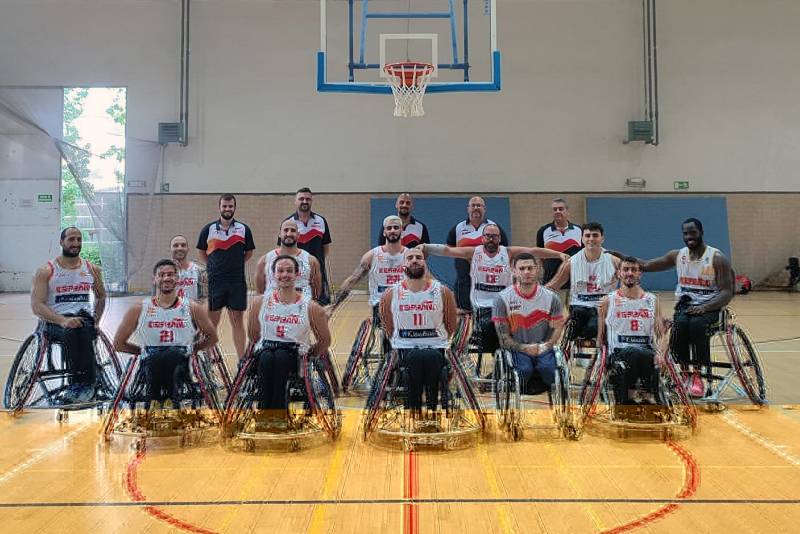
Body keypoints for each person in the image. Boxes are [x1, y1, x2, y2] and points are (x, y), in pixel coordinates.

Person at [612, 218, 733, 396]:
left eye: (692, 233)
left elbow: (726, 293)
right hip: (686, 306)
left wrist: (705, 307)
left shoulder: (717, 258)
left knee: (697, 326)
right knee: (680, 326)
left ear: (701, 233)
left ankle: (698, 375)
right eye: (686, 234)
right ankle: (685, 373)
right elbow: (645, 265)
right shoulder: (678, 255)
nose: (689, 237)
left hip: (711, 307)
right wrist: (621, 256)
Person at [421, 225, 565, 354]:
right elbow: (448, 250)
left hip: (505, 306)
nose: (491, 239)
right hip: (483, 307)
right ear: (482, 238)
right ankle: (497, 353)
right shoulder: (474, 253)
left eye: (494, 236)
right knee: (493, 326)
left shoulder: (507, 252)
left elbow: (533, 251)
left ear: (499, 238)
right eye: (488, 236)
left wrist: (558, 254)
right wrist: (426, 247)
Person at [113, 260, 218, 407]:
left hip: (179, 359)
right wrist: (142, 351)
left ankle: (163, 400)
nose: (166, 278)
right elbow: (118, 344)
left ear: (177, 279)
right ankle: (163, 400)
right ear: (154, 279)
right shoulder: (139, 309)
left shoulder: (192, 307)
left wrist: (192, 349)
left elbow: (213, 337)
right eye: (161, 275)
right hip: (150, 360)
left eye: (170, 274)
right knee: (157, 356)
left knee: (170, 354)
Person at [248, 255, 331, 419]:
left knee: (280, 358)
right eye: (280, 271)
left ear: (297, 275)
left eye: (289, 271)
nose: (285, 275)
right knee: (266, 358)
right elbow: (253, 335)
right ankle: (264, 414)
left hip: (294, 354)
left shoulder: (310, 307)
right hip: (267, 350)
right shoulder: (260, 302)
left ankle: (279, 416)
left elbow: (324, 340)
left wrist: (310, 354)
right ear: (273, 275)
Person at [30, 227, 106, 402]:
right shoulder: (46, 270)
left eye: (79, 239)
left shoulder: (92, 269)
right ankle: (76, 383)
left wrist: (96, 321)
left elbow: (101, 296)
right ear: (61, 242)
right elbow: (37, 306)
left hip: (81, 318)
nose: (76, 244)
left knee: (86, 330)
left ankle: (87, 383)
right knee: (72, 332)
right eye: (71, 239)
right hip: (54, 320)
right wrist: (63, 321)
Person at [380, 248, 457, 415]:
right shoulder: (390, 293)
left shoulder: (442, 291)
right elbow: (387, 325)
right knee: (417, 359)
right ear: (403, 264)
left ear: (425, 263)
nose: (414, 260)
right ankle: (416, 411)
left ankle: (428, 411)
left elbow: (451, 324)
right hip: (405, 349)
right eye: (410, 258)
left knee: (428, 358)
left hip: (436, 348)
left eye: (419, 257)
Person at [596, 257, 667, 410]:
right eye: (626, 269)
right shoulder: (608, 301)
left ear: (639, 274)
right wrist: (601, 366)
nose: (630, 273)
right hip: (619, 352)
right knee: (633, 353)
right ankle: (630, 398)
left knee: (647, 356)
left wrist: (661, 354)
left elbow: (661, 335)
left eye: (634, 270)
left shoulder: (652, 300)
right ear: (619, 273)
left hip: (646, 352)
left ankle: (649, 399)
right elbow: (601, 338)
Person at [492, 253, 565, 395]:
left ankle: (541, 382)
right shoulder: (502, 299)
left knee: (549, 372)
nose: (526, 272)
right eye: (522, 268)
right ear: (514, 271)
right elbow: (503, 337)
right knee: (523, 371)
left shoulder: (552, 298)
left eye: (530, 268)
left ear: (537, 270)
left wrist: (545, 346)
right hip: (518, 347)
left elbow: (557, 328)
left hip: (543, 346)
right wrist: (524, 348)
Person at [197, 194, 255, 360]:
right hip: (216, 282)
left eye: (230, 206)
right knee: (212, 322)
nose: (227, 209)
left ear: (234, 208)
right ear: (220, 207)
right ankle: (209, 359)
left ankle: (241, 360)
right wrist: (213, 267)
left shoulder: (244, 229)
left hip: (237, 281)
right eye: (224, 206)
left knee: (237, 322)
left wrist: (235, 265)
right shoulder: (208, 229)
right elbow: (202, 252)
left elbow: (248, 252)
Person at [546, 222, 621, 340]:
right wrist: (533, 296)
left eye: (595, 235)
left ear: (602, 239)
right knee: (576, 320)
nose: (591, 239)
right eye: (588, 236)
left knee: (593, 327)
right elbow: (554, 285)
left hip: (603, 307)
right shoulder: (571, 262)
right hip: (578, 305)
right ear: (582, 239)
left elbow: (628, 284)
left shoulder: (614, 261)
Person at [330, 216, 406, 322]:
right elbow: (352, 280)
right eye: (389, 228)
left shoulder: (410, 256)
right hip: (381, 305)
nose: (392, 230)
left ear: (401, 231)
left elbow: (426, 280)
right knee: (387, 335)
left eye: (396, 227)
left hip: (405, 305)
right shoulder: (372, 256)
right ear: (384, 232)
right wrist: (332, 308)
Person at [445, 197, 509, 311]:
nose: (476, 208)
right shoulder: (458, 228)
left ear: (484, 209)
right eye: (473, 205)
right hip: (464, 277)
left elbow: (504, 249)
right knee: (465, 312)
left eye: (479, 205)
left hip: (487, 276)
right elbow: (449, 249)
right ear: (468, 209)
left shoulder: (494, 227)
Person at [281, 187, 333, 304]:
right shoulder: (289, 222)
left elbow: (326, 247)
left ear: (311, 201)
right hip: (295, 274)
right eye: (301, 199)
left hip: (317, 273)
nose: (304, 201)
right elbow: (283, 250)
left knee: (318, 307)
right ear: (296, 201)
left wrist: (316, 262)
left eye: (307, 199)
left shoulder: (321, 221)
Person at [256, 219, 322, 300]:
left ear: (298, 235)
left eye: (293, 230)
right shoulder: (264, 261)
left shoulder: (311, 261)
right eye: (286, 230)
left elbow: (316, 292)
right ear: (280, 234)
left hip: (301, 310)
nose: (289, 234)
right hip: (273, 310)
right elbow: (260, 292)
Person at [536, 198, 583, 285]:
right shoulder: (543, 231)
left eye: (561, 209)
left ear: (568, 211)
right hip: (551, 281)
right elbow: (540, 255)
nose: (558, 211)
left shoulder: (579, 230)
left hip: (575, 281)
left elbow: (584, 254)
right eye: (555, 209)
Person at [170, 235, 207, 303]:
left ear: (188, 249)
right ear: (170, 249)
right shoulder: (162, 272)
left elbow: (205, 298)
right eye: (176, 245)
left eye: (183, 245)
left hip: (193, 312)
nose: (179, 248)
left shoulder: (199, 271)